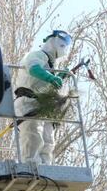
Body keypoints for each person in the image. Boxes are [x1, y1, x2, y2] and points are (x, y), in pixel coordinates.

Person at [14, 30, 72, 165]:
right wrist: (51, 77)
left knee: (48, 139)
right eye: (62, 43)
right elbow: (34, 69)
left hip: (43, 105)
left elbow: (46, 85)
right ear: (52, 41)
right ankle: (30, 166)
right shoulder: (37, 55)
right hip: (28, 101)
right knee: (33, 135)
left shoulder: (52, 65)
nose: (63, 47)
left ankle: (46, 167)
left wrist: (60, 77)